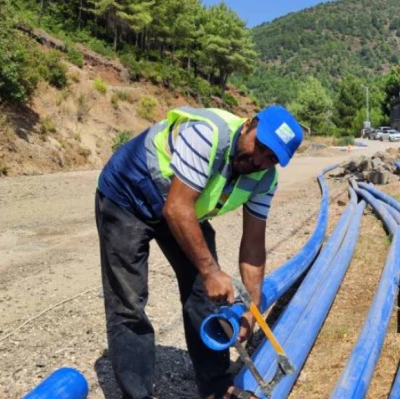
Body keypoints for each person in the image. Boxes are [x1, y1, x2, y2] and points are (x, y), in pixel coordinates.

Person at [94, 105, 304, 399]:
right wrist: (210, 270)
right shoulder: (208, 134)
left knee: (205, 296)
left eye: (270, 158)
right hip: (129, 196)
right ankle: (137, 394)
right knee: (128, 301)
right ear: (248, 125)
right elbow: (176, 207)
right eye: (260, 146)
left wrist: (251, 311)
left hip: (183, 207)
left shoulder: (265, 181)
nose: (258, 159)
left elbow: (254, 245)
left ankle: (215, 385)